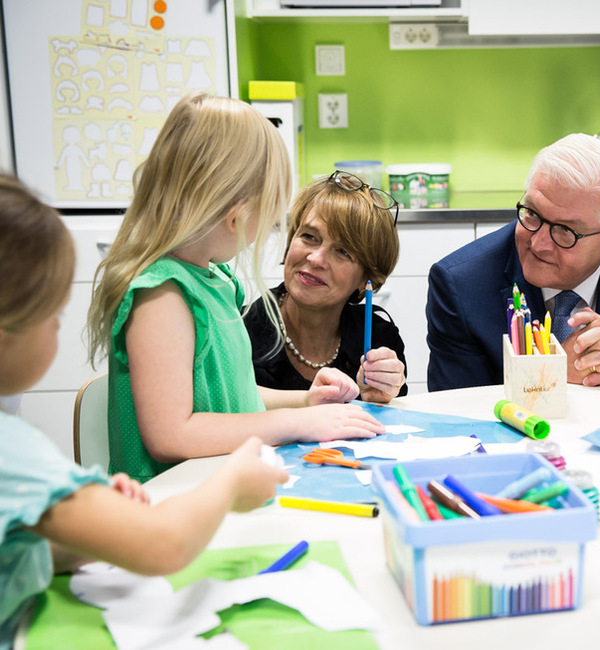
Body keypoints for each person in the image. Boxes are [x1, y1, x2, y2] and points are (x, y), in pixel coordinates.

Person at [0, 174, 288, 648]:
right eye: (53, 316)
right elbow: (163, 544)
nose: (59, 329)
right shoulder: (13, 451)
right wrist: (231, 482)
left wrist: (89, 529)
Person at [86, 93, 384, 484]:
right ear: (237, 213)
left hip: (217, 490)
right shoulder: (163, 296)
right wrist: (295, 423)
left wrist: (306, 399)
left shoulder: (214, 280)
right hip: (170, 510)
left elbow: (233, 396)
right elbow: (172, 435)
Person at [426, 133, 600, 391]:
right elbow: (457, 415)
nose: (538, 243)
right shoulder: (462, 286)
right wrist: (553, 371)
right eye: (532, 213)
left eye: (566, 230)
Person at [243, 171, 407, 403]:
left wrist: (378, 398)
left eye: (343, 251)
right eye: (309, 236)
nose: (316, 259)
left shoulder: (377, 338)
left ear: (366, 278)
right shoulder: (242, 329)